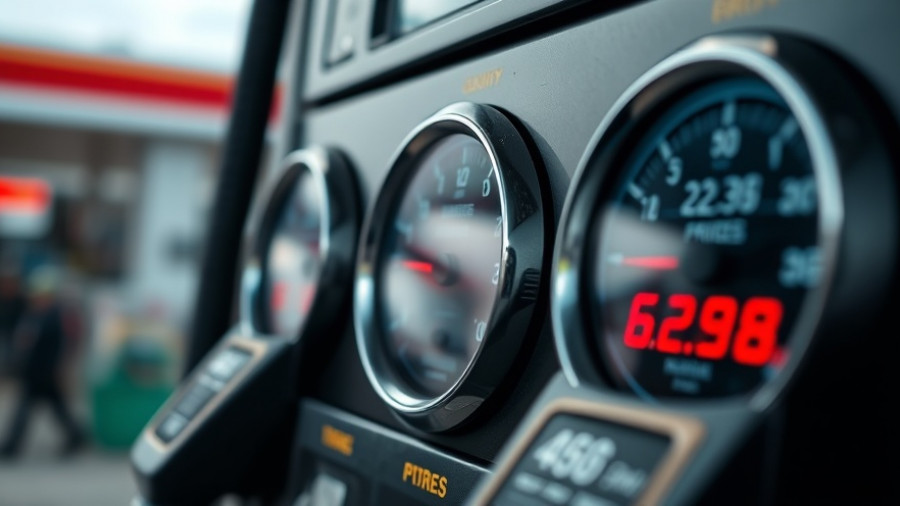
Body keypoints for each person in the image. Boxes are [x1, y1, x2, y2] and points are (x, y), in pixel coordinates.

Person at [0, 265, 86, 459]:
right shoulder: (36, 314)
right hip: (35, 372)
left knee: (29, 410)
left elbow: (59, 346)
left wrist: (59, 369)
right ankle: (76, 436)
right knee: (56, 409)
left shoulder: (53, 317)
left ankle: (12, 446)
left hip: (44, 373)